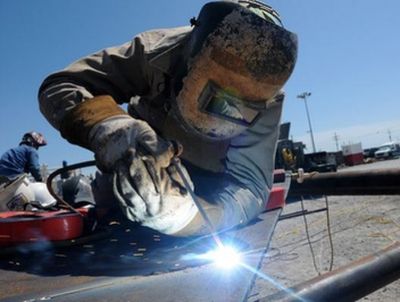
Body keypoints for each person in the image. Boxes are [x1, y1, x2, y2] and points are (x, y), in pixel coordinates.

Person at [38, 0, 297, 236]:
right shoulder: (155, 53)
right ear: (191, 61)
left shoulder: (268, 99)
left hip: (210, 190)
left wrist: (195, 219)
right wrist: (108, 127)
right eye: (220, 98)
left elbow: (250, 186)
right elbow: (61, 85)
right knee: (113, 218)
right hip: (133, 169)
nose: (227, 111)